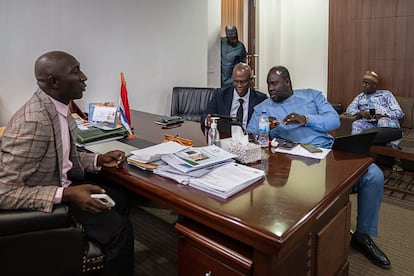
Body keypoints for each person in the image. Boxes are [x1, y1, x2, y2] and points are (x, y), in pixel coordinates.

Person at [0, 51, 134, 275]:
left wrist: (98, 159)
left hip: (58, 184)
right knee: (120, 230)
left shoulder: (59, 109)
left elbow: (61, 159)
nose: (84, 77)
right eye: (76, 71)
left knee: (120, 199)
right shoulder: (34, 121)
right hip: (44, 201)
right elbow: (4, 192)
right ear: (54, 82)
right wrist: (66, 195)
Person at [247, 65, 391, 269]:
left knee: (373, 175)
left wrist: (306, 119)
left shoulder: (311, 96)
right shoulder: (263, 107)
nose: (270, 88)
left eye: (275, 83)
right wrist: (265, 128)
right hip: (292, 164)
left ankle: (362, 235)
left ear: (287, 82)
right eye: (269, 84)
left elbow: (333, 121)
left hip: (328, 154)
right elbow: (249, 134)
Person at [201, 62, 267, 131]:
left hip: (248, 138)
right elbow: (204, 116)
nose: (239, 85)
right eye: (236, 81)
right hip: (225, 137)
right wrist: (207, 121)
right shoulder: (221, 95)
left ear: (251, 80)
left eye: (243, 82)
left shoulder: (260, 99)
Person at [345, 71, 404, 136]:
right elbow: (349, 110)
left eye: (367, 83)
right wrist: (361, 113)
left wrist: (383, 115)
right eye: (363, 83)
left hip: (386, 121)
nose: (363, 85)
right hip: (369, 123)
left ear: (374, 85)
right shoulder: (360, 97)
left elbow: (399, 113)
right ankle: (358, 145)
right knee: (356, 124)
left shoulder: (386, 94)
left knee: (382, 122)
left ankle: (387, 144)